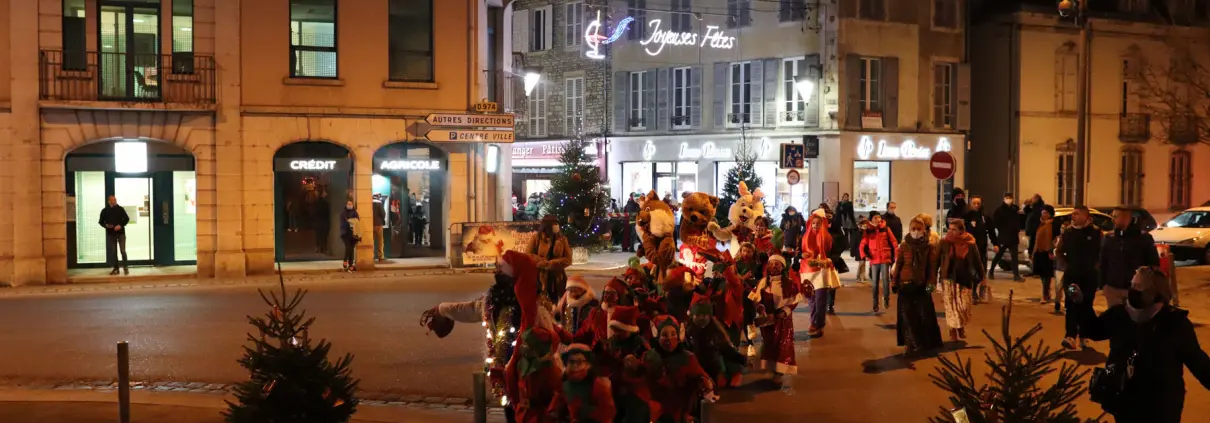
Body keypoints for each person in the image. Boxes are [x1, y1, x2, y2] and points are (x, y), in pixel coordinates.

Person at [1081, 267, 1210, 423]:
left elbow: (1197, 361)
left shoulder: (1174, 323)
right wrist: (1081, 304)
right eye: (1132, 285)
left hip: (1161, 405)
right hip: (1125, 401)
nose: (1132, 291)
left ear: (1154, 293)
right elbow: (1093, 331)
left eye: (1138, 287)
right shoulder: (1120, 314)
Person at [644, 315, 717, 422]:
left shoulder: (688, 358)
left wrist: (705, 384)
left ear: (679, 336)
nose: (669, 339)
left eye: (673, 334)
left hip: (682, 413)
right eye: (664, 335)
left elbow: (703, 378)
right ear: (657, 337)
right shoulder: (649, 357)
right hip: (657, 414)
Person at [892, 214, 944, 355]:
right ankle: (910, 344)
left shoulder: (929, 247)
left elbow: (932, 269)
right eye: (913, 229)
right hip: (905, 285)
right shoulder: (904, 246)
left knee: (923, 316)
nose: (915, 231)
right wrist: (894, 282)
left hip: (921, 286)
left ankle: (924, 343)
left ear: (924, 230)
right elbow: (898, 265)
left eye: (918, 229)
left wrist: (930, 286)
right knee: (906, 317)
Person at [749, 254, 802, 383]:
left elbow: (794, 301)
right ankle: (770, 365)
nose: (773, 267)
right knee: (770, 343)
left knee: (783, 346)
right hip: (768, 320)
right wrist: (761, 309)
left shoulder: (789, 283)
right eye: (771, 264)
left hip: (783, 321)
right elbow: (756, 299)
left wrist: (785, 312)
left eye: (777, 264)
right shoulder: (763, 282)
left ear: (783, 267)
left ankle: (779, 372)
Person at [1055, 205, 1102, 351]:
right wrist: (1066, 265)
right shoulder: (1067, 232)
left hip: (1089, 277)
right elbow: (1059, 251)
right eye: (1073, 213)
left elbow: (1102, 253)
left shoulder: (1096, 233)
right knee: (1070, 304)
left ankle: (1084, 335)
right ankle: (1070, 336)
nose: (1073, 216)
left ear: (1085, 216)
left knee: (1086, 305)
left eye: (1076, 213)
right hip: (1071, 276)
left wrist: (1096, 267)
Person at [602, 306, 656, 423]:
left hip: (634, 391)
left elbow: (649, 366)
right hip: (615, 388)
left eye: (621, 330)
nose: (617, 334)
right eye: (615, 330)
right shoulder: (611, 342)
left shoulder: (639, 344)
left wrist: (636, 365)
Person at [1100, 206, 1161, 307]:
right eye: (1112, 216)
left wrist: (1146, 285)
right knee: (1114, 315)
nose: (1112, 220)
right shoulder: (1109, 238)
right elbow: (1103, 262)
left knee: (1135, 315)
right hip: (1113, 288)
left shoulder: (1143, 238)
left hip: (1136, 289)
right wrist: (1103, 285)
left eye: (1116, 217)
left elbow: (1153, 264)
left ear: (1126, 218)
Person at [685, 294, 746, 389]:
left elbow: (726, 350)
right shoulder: (688, 332)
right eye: (698, 315)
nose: (701, 318)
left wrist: (742, 360)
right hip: (696, 368)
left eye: (704, 315)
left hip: (713, 368)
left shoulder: (715, 332)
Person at [939, 218, 984, 341]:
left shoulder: (970, 242)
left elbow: (977, 260)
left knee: (964, 306)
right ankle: (952, 330)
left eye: (954, 229)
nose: (951, 231)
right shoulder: (944, 242)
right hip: (948, 278)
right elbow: (936, 261)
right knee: (950, 306)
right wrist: (931, 282)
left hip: (964, 278)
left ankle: (960, 325)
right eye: (949, 229)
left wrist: (982, 277)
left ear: (961, 230)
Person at [548, 344, 616, 423]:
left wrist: (586, 411)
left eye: (579, 362)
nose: (575, 366)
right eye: (571, 361)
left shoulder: (597, 385)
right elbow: (556, 404)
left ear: (587, 364)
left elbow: (608, 412)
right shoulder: (565, 384)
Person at [802, 209, 841, 337]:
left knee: (820, 299)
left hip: (822, 271)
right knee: (811, 299)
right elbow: (800, 251)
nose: (815, 225)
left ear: (823, 223)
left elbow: (835, 252)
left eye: (817, 223)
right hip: (808, 271)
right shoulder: (805, 236)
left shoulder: (828, 237)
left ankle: (819, 324)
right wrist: (801, 255)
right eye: (813, 223)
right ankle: (814, 323)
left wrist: (829, 259)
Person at [528, 215, 573, 303]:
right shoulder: (536, 238)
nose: (556, 226)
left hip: (558, 278)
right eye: (554, 224)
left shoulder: (562, 239)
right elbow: (528, 255)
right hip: (540, 277)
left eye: (557, 224)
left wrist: (551, 264)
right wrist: (542, 263)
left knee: (557, 302)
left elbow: (568, 259)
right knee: (541, 302)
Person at [860, 213, 899, 313]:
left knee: (886, 280)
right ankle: (875, 303)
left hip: (885, 258)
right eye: (875, 217)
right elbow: (863, 244)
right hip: (874, 259)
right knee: (874, 283)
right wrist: (864, 255)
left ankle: (886, 299)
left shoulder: (886, 228)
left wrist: (896, 256)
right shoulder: (868, 230)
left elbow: (894, 242)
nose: (878, 219)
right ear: (871, 219)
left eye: (879, 217)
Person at [556, 275, 607, 348]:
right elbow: (561, 318)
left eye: (575, 290)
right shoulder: (565, 302)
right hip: (568, 339)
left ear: (582, 289)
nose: (572, 293)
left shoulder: (592, 303)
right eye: (570, 290)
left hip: (584, 341)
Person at [963, 195, 994, 302]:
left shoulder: (984, 217)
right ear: (970, 204)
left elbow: (991, 231)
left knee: (980, 269)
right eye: (974, 203)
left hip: (981, 247)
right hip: (968, 248)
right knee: (971, 270)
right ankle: (971, 292)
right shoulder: (966, 216)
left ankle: (978, 291)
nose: (976, 205)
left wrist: (995, 243)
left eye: (978, 203)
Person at [989, 192, 1024, 281]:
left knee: (1014, 258)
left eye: (1010, 198)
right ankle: (991, 271)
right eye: (1007, 198)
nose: (1009, 199)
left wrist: (1017, 229)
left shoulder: (1014, 209)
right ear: (1004, 199)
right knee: (998, 255)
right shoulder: (999, 210)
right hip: (1003, 236)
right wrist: (1001, 230)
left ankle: (1016, 275)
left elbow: (1017, 220)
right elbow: (995, 222)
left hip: (1013, 237)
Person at [99, 195, 131, 276]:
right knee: (113, 252)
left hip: (121, 233)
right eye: (113, 200)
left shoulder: (120, 209)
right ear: (109, 201)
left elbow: (127, 219)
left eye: (115, 199)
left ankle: (125, 267)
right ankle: (116, 268)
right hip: (111, 234)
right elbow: (101, 222)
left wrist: (120, 225)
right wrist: (106, 225)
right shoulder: (105, 211)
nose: (115, 201)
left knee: (122, 250)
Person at [1031, 208, 1058, 308]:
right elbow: (1036, 239)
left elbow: (1056, 239)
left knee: (1047, 275)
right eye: (1042, 213)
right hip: (1040, 252)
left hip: (1048, 252)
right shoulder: (1041, 224)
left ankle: (1045, 294)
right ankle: (1046, 293)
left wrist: (1051, 250)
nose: (1044, 214)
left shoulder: (1053, 225)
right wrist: (1033, 252)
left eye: (1046, 213)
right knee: (1043, 275)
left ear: (1050, 214)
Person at [340, 200, 360, 272]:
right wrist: (349, 222)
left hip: (353, 234)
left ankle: (351, 265)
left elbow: (357, 221)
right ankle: (345, 260)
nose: (350, 205)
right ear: (346, 205)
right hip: (345, 233)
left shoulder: (355, 212)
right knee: (348, 247)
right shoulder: (343, 213)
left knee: (351, 249)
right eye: (348, 204)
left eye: (351, 204)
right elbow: (342, 223)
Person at [853, 216, 871, 283]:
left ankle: (861, 277)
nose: (866, 225)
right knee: (862, 264)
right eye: (864, 224)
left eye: (866, 224)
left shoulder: (866, 232)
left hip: (864, 251)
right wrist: (853, 251)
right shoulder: (857, 232)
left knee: (863, 264)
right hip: (859, 251)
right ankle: (860, 277)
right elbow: (854, 242)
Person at [372, 194, 386, 262]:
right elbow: (383, 213)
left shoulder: (369, 203)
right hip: (379, 224)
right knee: (380, 241)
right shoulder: (379, 203)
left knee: (371, 240)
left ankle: (371, 256)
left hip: (371, 224)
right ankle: (380, 256)